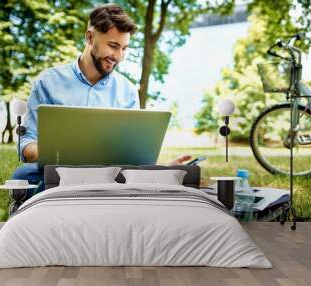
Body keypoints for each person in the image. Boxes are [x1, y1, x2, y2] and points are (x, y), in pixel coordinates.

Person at [12, 4, 192, 199]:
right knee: (22, 176)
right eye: (113, 46)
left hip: (110, 176)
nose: (118, 56)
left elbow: (134, 157)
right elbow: (27, 141)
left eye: (124, 48)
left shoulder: (128, 91)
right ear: (90, 37)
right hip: (59, 172)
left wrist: (162, 169)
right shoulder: (48, 81)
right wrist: (57, 150)